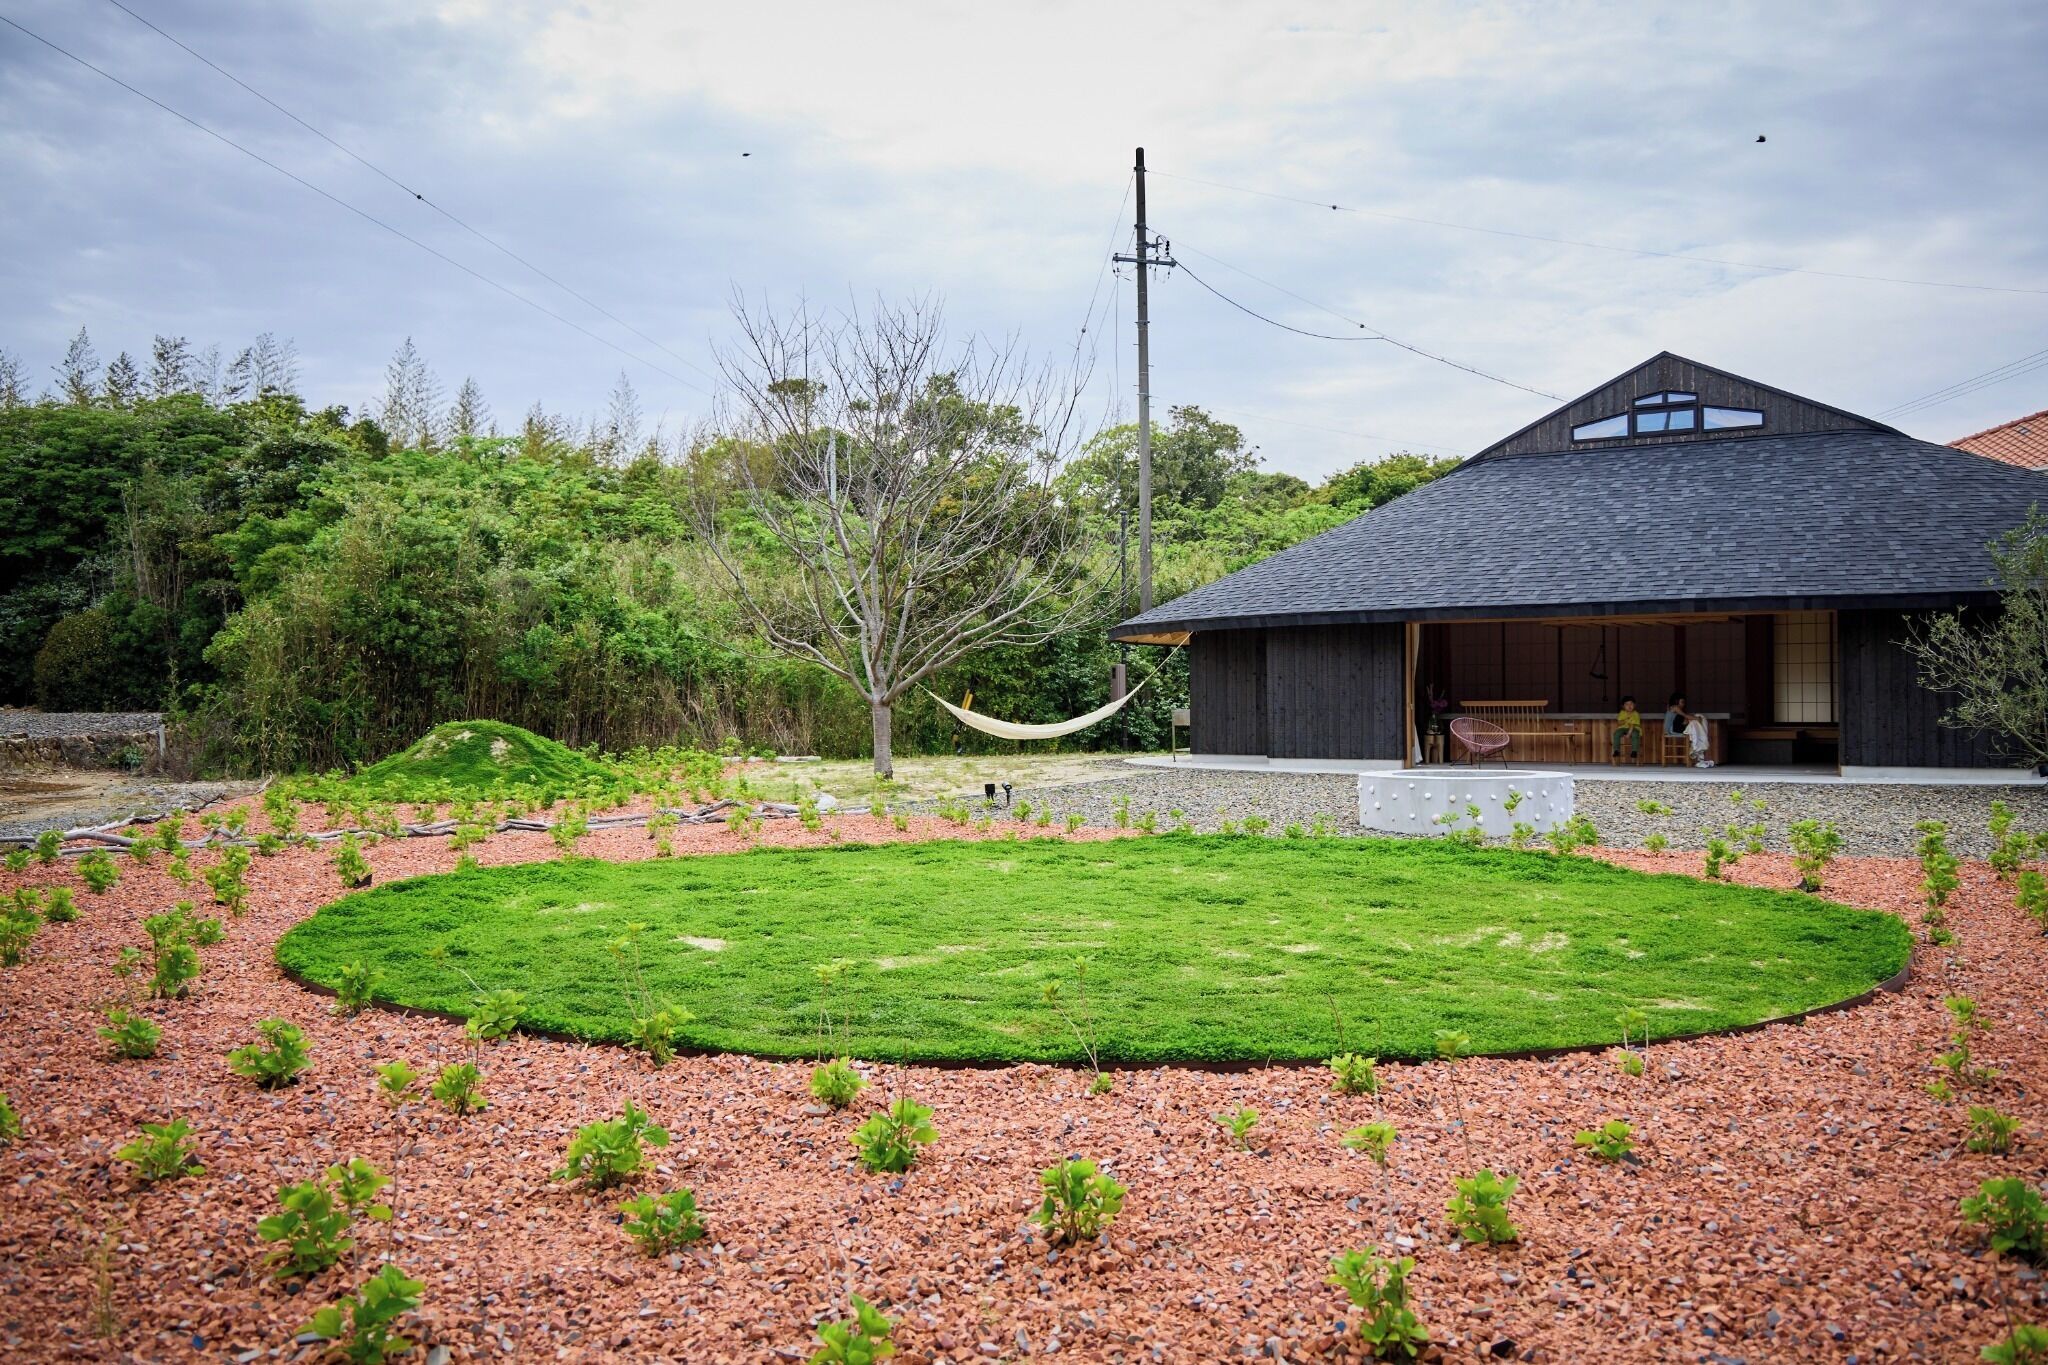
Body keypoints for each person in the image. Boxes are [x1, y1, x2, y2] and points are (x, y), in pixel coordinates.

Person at [1665, 692, 1713, 768]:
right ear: (1676, 701)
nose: (1683, 704)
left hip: (1676, 727)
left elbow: (1684, 720)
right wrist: (1696, 719)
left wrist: (1695, 718)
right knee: (1695, 722)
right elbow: (1685, 716)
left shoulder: (1674, 708)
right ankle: (1698, 750)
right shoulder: (1674, 707)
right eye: (1682, 702)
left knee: (1697, 720)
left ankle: (1698, 751)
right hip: (1672, 730)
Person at [1611, 695, 1642, 761]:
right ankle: (1616, 750)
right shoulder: (1622, 713)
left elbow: (1632, 725)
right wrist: (1624, 720)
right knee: (1616, 733)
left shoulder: (1636, 714)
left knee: (1635, 734)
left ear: (1634, 705)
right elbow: (1619, 723)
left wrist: (1628, 734)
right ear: (1623, 706)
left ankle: (1634, 751)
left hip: (1634, 728)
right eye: (1627, 704)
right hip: (1623, 728)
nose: (1629, 706)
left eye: (1631, 704)